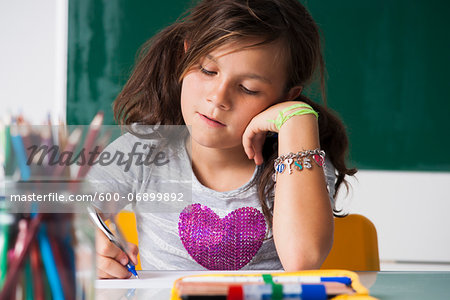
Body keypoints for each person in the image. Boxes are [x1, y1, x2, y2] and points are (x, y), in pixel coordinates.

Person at [88, 0, 356, 279]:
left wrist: (299, 120)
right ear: (186, 57)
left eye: (248, 88)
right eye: (207, 70)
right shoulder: (143, 151)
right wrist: (83, 242)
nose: (218, 98)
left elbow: (303, 260)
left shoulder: (298, 161)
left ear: (285, 98)